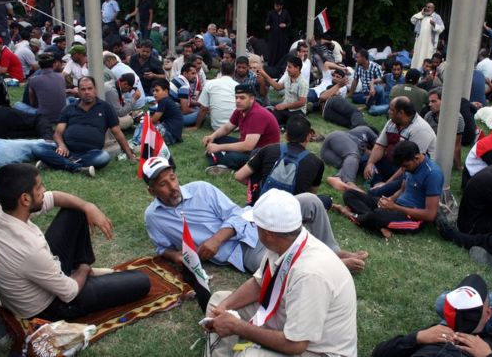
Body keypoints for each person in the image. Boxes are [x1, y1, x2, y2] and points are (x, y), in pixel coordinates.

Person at [143, 158, 367, 275]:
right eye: (163, 184)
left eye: (172, 178)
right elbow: (162, 248)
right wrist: (176, 257)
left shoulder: (201, 188)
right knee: (282, 267)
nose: (173, 187)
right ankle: (334, 265)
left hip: (255, 222)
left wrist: (216, 238)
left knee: (310, 201)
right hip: (240, 252)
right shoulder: (154, 218)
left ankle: (334, 251)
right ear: (152, 191)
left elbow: (237, 213)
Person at [202, 188, 358, 357]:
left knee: (248, 356)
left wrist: (237, 326)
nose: (254, 229)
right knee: (218, 302)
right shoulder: (287, 242)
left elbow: (295, 345)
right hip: (292, 322)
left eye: (256, 226)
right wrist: (225, 307)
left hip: (318, 351)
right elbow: (258, 283)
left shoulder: (309, 274)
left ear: (268, 234)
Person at [0, 164, 150, 320]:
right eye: (39, 187)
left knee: (76, 209)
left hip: (38, 274)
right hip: (49, 306)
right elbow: (69, 292)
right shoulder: (31, 249)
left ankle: (75, 271)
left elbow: (54, 197)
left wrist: (88, 206)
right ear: (25, 199)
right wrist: (85, 268)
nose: (44, 190)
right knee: (141, 281)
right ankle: (81, 271)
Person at [33, 76, 137, 176]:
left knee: (103, 157)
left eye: (90, 88)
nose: (87, 92)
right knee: (38, 147)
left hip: (90, 153)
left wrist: (130, 156)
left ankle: (55, 163)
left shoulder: (106, 108)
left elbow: (118, 134)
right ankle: (76, 167)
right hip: (66, 150)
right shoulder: (69, 108)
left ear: (95, 90)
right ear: (78, 91)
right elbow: (57, 134)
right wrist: (61, 145)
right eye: (83, 89)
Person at [342, 140, 444, 239]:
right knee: (350, 194)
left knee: (377, 215)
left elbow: (430, 215)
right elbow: (402, 189)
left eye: (405, 166)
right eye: (401, 167)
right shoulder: (410, 166)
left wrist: (395, 207)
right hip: (396, 207)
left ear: (416, 158)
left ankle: (353, 215)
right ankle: (374, 221)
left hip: (412, 218)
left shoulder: (433, 174)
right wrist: (389, 200)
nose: (403, 170)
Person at [234, 116, 324, 206]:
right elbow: (311, 197)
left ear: (286, 135)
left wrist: (258, 185)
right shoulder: (317, 163)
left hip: (261, 206)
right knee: (326, 200)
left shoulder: (269, 149)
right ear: (308, 137)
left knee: (256, 158)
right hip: (291, 215)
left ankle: (252, 201)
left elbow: (239, 176)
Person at [363, 97, 437, 196]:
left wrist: (387, 183)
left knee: (377, 193)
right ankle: (377, 182)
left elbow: (408, 164)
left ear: (400, 113)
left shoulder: (420, 129)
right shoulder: (391, 123)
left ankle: (379, 185)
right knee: (364, 160)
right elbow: (380, 146)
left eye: (391, 110)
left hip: (408, 172)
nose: (388, 112)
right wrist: (370, 164)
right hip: (393, 163)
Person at [202, 83, 280, 174]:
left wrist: (219, 148)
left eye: (242, 98)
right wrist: (212, 136)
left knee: (230, 157)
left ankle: (220, 162)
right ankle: (219, 164)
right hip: (250, 149)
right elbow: (227, 128)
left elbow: (248, 146)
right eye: (236, 97)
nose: (238, 101)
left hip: (262, 154)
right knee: (217, 139)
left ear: (251, 99)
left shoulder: (257, 114)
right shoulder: (240, 110)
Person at [321, 126, 378, 192]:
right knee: (353, 154)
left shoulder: (358, 155)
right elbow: (380, 146)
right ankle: (349, 183)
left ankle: (337, 178)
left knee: (350, 165)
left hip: (328, 154)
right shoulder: (365, 130)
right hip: (336, 138)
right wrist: (369, 152)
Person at [424, 88, 464, 170]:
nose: (430, 104)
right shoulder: (428, 116)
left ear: (444, 101)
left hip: (445, 154)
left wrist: (459, 167)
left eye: (434, 101)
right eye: (430, 101)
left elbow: (456, 145)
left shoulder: (457, 118)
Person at [263, 56, 309, 126]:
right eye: (287, 67)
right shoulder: (288, 77)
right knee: (270, 120)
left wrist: (285, 106)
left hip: (297, 110)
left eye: (290, 67)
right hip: (285, 108)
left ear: (297, 68)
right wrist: (265, 75)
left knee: (294, 124)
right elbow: (278, 87)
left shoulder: (303, 83)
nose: (287, 69)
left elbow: (302, 102)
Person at [25, 52, 66, 123]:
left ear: (39, 65)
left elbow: (32, 103)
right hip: (60, 116)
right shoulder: (61, 76)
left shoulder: (33, 80)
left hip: (43, 117)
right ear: (53, 64)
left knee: (18, 105)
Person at [196, 61, 238, 130]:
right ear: (234, 71)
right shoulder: (237, 86)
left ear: (221, 70)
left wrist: (197, 126)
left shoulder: (210, 83)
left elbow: (203, 108)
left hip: (217, 126)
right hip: (235, 126)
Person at [410, 2, 445, 70]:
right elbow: (412, 20)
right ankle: (416, 71)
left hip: (430, 43)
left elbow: (442, 28)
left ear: (433, 9)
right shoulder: (421, 16)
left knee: (428, 57)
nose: (427, 8)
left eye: (429, 7)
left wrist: (435, 24)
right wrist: (421, 13)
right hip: (419, 42)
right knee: (417, 57)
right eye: (426, 7)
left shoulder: (436, 17)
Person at [264, 0, 291, 66]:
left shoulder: (285, 13)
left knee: (282, 51)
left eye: (277, 6)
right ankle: (271, 66)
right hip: (273, 37)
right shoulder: (271, 13)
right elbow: (266, 24)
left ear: (281, 6)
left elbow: (289, 23)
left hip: (282, 37)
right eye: (275, 5)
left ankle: (282, 66)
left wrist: (285, 25)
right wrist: (267, 26)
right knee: (273, 52)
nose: (276, 7)